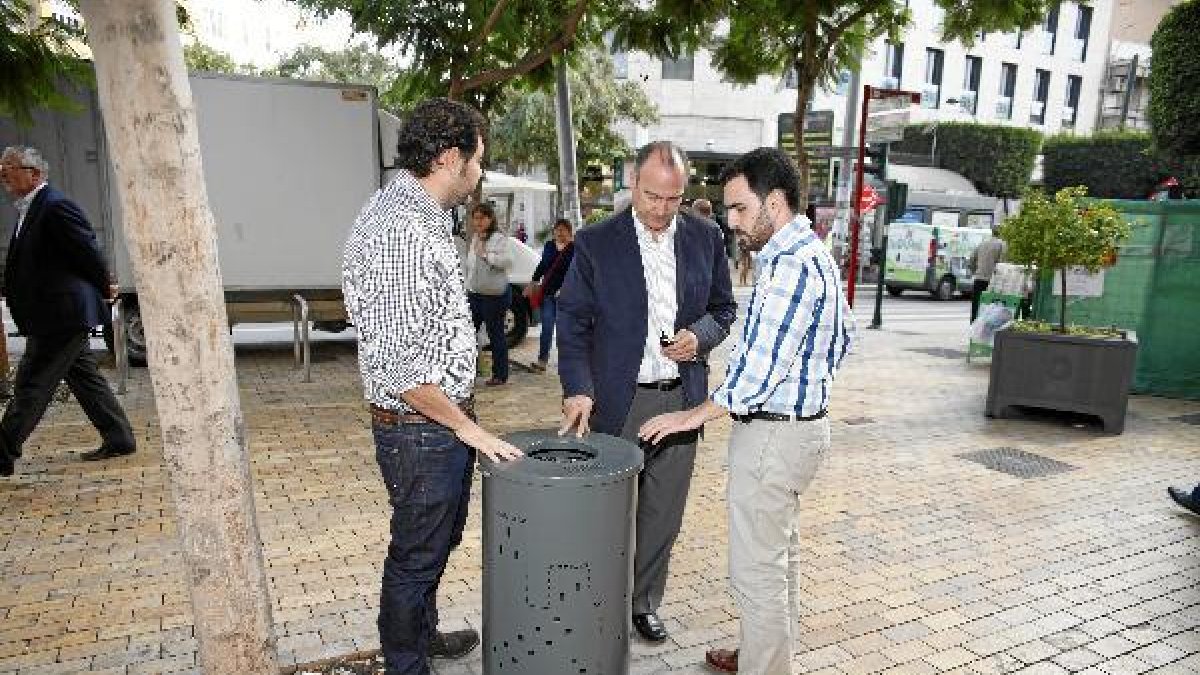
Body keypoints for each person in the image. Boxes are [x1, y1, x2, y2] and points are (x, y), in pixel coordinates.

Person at [639, 147, 856, 675]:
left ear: (774, 202)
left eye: (739, 209)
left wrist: (686, 417)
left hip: (774, 437)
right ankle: (764, 654)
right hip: (799, 430)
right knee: (778, 562)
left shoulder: (790, 266)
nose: (731, 221)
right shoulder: (812, 253)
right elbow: (845, 338)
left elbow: (756, 377)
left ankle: (766, 665)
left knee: (756, 573)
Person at [341, 98, 523, 675]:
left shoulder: (423, 215)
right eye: (477, 160)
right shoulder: (402, 229)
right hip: (423, 428)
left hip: (435, 423)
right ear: (450, 158)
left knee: (434, 544)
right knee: (416, 555)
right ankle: (405, 663)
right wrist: (470, 430)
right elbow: (400, 368)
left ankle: (420, 635)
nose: (481, 172)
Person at [556, 141, 736, 643]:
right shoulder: (597, 242)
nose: (660, 209)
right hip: (617, 399)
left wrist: (699, 336)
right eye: (652, 196)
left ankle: (642, 602)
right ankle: (599, 601)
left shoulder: (706, 237)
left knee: (663, 514)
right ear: (633, 182)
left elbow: (724, 309)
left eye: (672, 199)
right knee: (606, 513)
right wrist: (577, 389)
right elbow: (572, 322)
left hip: (680, 399)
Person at [0, 146, 136, 478]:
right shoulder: (30, 208)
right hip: (54, 312)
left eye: (9, 167)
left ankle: (2, 450)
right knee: (84, 377)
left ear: (34, 173)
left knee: (32, 383)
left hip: (60, 314)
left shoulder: (55, 206)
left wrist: (105, 288)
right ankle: (119, 438)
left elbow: (87, 250)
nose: (3, 173)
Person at [465, 202, 513, 386]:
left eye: (481, 218)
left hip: (494, 296)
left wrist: (486, 255)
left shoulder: (499, 238)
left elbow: (507, 261)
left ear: (490, 218)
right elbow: (472, 266)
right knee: (468, 334)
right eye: (475, 218)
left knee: (496, 335)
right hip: (475, 294)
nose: (477, 222)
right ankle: (467, 373)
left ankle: (500, 375)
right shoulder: (475, 238)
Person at [525, 217, 574, 372]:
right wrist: (533, 281)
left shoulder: (575, 248)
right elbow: (543, 265)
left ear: (570, 232)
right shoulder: (549, 246)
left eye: (563, 230)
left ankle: (568, 362)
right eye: (557, 230)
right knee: (546, 328)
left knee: (564, 330)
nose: (560, 233)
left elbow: (577, 272)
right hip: (548, 294)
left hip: (566, 297)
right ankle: (542, 361)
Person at [969, 226, 1008, 322]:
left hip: (979, 278)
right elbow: (1002, 264)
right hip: (993, 281)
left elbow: (971, 260)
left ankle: (973, 327)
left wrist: (976, 271)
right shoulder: (1002, 245)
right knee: (990, 308)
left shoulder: (982, 243)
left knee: (976, 305)